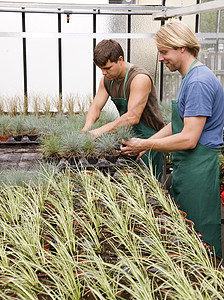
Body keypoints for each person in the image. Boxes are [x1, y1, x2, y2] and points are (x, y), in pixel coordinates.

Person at [121, 21, 224, 257]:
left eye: (164, 51)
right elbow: (177, 125)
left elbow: (188, 138)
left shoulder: (198, 82)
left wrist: (146, 142)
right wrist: (145, 148)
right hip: (189, 167)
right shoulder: (191, 77)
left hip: (197, 170)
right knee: (187, 235)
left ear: (182, 48)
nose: (160, 58)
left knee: (200, 239)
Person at [82, 39, 165, 179]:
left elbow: (133, 116)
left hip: (149, 142)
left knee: (149, 188)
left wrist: (100, 131)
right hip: (128, 139)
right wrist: (86, 129)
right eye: (101, 69)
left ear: (120, 60)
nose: (103, 73)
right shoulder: (107, 79)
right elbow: (96, 107)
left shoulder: (139, 78)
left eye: (107, 68)